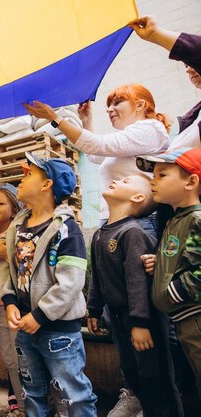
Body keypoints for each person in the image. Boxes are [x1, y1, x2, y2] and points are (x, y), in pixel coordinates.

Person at [1, 152, 97, 416]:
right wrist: (9, 301)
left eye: (29, 174)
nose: (21, 178)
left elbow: (71, 283)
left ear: (46, 185)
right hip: (26, 327)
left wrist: (41, 315)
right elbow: (13, 270)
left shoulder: (66, 229)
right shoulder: (17, 226)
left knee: (72, 394)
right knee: (31, 391)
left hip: (59, 331)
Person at [87, 174, 183, 417]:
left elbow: (137, 281)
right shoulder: (100, 234)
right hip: (119, 320)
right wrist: (94, 310)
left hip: (144, 321)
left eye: (126, 182)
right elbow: (97, 278)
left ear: (137, 197)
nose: (117, 181)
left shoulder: (132, 233)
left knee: (157, 380)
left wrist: (140, 322)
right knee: (134, 375)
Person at [23, 84, 169, 227]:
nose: (109, 109)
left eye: (117, 103)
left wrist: (55, 118)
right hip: (115, 217)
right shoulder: (129, 140)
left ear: (140, 105)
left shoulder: (150, 129)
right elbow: (94, 154)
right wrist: (86, 120)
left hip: (137, 220)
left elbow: (98, 145)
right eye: (109, 105)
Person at [137, 148, 201, 399]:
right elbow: (186, 258)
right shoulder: (176, 219)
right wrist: (161, 264)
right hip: (185, 318)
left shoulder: (196, 218)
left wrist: (171, 291)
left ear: (191, 181)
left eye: (162, 174)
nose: (153, 180)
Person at [129, 16, 201, 150]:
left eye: (191, 63)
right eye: (185, 66)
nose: (188, 70)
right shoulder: (192, 119)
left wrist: (156, 34)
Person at [0, 184, 24, 416]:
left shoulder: (16, 232)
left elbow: (9, 254)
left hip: (16, 305)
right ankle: (21, 406)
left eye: (1, 203)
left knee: (23, 361)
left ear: (14, 208)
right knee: (10, 361)